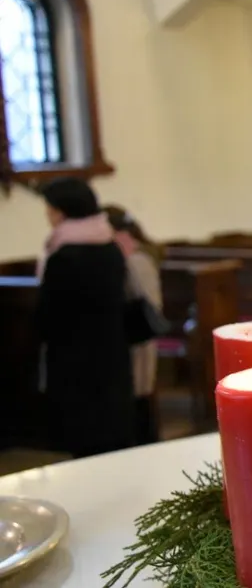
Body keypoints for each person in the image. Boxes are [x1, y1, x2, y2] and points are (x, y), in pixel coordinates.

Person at [35, 178, 136, 457]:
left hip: (74, 355)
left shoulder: (63, 256)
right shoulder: (110, 247)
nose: (48, 215)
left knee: (84, 432)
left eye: (50, 209)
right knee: (112, 426)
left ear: (62, 211)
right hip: (112, 348)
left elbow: (49, 311)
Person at [105, 205, 164, 444]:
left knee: (141, 392)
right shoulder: (121, 253)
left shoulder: (136, 257)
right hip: (129, 335)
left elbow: (149, 302)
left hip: (140, 336)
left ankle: (147, 441)